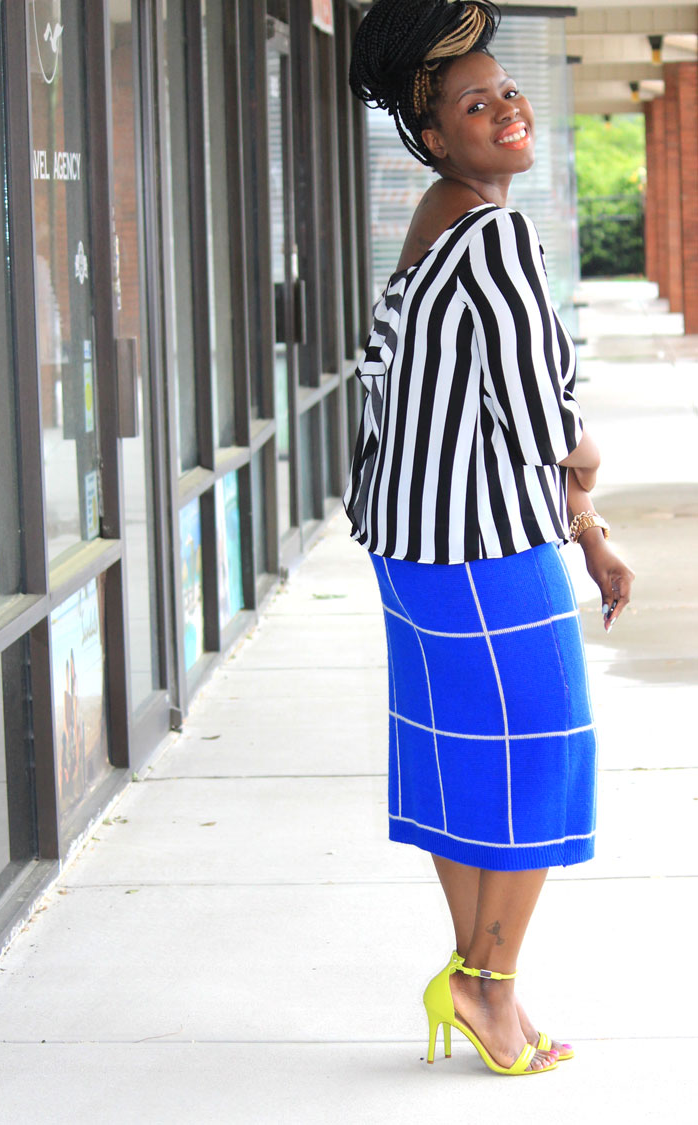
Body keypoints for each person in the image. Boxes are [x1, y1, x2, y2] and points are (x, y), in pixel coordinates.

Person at [345, 0, 634, 1076]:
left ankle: (476, 981)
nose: (508, 107)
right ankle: (487, 987)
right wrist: (590, 472)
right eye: (476, 104)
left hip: (415, 549)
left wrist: (583, 520)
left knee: (465, 764)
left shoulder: (434, 223)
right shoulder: (494, 234)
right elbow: (540, 414)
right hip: (482, 555)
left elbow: (449, 398)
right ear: (432, 134)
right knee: (545, 757)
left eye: (507, 89)